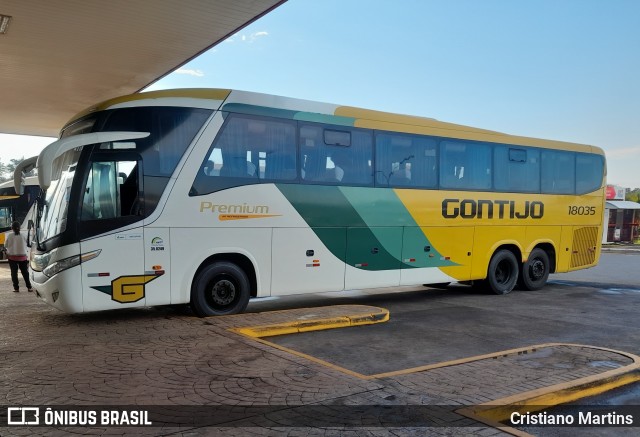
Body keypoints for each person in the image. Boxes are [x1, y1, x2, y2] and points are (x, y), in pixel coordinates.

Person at [5, 221, 33, 292]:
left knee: (14, 273)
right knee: (25, 273)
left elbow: (6, 246)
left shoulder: (10, 235)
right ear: (20, 228)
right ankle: (29, 287)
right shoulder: (24, 235)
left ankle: (16, 288)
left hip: (12, 257)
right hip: (23, 257)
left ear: (12, 228)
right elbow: (27, 244)